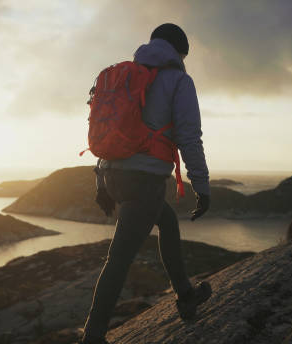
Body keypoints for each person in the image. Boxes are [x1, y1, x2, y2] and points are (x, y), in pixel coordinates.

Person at [80, 23, 212, 344]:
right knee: (119, 259)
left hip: (112, 175)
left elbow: (108, 129)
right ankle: (92, 338)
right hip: (144, 180)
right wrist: (202, 186)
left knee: (167, 221)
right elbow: (188, 137)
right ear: (179, 53)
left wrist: (101, 183)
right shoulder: (178, 80)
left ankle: (185, 295)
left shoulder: (125, 75)